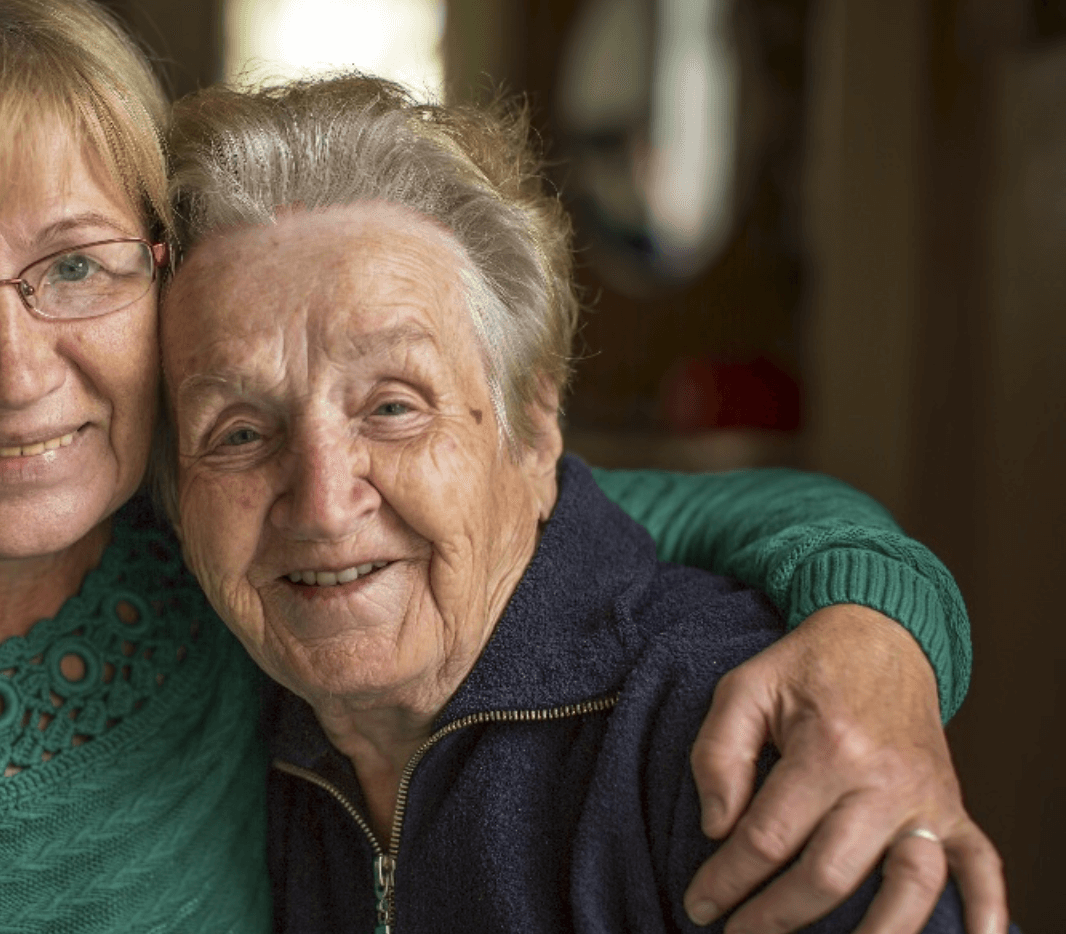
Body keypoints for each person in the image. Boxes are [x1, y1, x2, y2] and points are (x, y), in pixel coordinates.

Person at [0, 1, 997, 931]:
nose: (14, 370)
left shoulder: (212, 550)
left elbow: (712, 517)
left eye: (75, 268)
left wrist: (881, 642)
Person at [157, 75, 1009, 933]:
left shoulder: (725, 731)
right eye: (236, 433)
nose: (322, 503)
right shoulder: (198, 715)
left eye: (392, 407)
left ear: (531, 429)